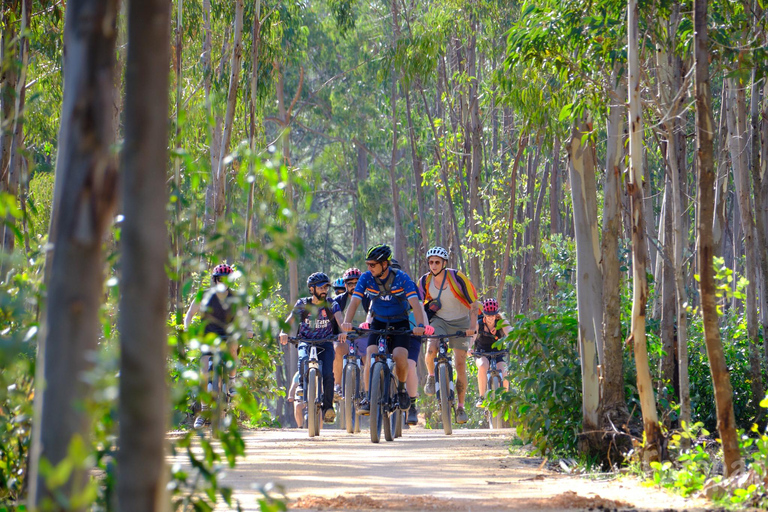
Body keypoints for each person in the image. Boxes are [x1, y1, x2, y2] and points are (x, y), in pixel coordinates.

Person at [339, 245, 431, 414]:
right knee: (371, 353)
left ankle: (402, 390)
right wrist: (346, 322)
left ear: (384, 264)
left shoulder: (402, 278)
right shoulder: (366, 278)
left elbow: (416, 305)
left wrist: (419, 326)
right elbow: (355, 302)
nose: (369, 268)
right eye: (368, 264)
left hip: (400, 322)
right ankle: (368, 396)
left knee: (400, 356)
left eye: (373, 265)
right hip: (379, 322)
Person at [184, 263, 254, 430]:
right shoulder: (204, 295)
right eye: (219, 279)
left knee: (233, 343)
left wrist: (249, 330)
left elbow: (245, 315)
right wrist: (187, 328)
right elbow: (189, 315)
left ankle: (231, 382)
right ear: (215, 280)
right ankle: (203, 412)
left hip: (228, 336)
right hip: (208, 337)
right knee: (203, 373)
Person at [418, 246, 478, 424]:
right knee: (431, 348)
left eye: (437, 262)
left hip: (461, 321)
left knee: (460, 364)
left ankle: (460, 407)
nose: (433, 265)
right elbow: (418, 305)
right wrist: (423, 325)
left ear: (444, 263)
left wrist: (472, 327)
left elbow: (474, 303)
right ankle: (431, 376)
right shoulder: (424, 281)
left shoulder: (457, 277)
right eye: (431, 262)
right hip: (439, 321)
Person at [279, 272, 338, 424]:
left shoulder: (331, 303)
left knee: (327, 374)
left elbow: (340, 318)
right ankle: (302, 386)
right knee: (303, 358)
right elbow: (290, 319)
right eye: (320, 287)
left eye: (326, 287)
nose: (324, 290)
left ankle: (328, 408)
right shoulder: (302, 304)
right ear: (312, 289)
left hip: (325, 342)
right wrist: (284, 332)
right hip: (306, 340)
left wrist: (343, 331)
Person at [389, 258, 425, 426]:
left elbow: (420, 309)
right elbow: (371, 311)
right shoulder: (376, 288)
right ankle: (376, 395)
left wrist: (423, 326)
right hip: (388, 330)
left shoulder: (409, 286)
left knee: (410, 365)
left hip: (411, 332)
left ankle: (411, 405)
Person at [331, 267, 370, 400]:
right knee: (338, 349)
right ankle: (337, 386)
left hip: (364, 335)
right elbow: (336, 320)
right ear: (345, 285)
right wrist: (341, 331)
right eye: (350, 284)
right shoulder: (338, 301)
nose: (353, 287)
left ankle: (367, 391)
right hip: (345, 336)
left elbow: (373, 316)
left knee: (368, 356)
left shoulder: (368, 298)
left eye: (356, 283)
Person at [471, 298, 511, 407]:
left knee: (504, 370)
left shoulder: (502, 323)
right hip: (482, 353)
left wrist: (516, 343)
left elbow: (511, 334)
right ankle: (482, 397)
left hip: (498, 353)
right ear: (484, 314)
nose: (490, 318)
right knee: (483, 366)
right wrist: (469, 348)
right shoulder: (478, 323)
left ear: (496, 314)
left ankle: (505, 399)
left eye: (492, 315)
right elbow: (472, 337)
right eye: (488, 316)